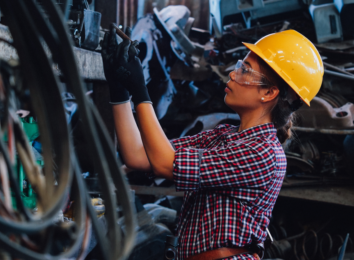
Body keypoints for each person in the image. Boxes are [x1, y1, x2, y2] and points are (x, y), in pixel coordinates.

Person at [101, 26, 324, 260]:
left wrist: (140, 91)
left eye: (245, 71)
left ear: (269, 93)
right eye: (239, 66)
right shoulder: (221, 137)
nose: (233, 74)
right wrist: (120, 91)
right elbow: (138, 155)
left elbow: (166, 164)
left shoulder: (264, 152)